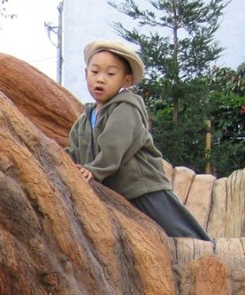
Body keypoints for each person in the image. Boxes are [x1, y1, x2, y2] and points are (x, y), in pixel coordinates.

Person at [66, 39, 212, 241]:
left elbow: (114, 145)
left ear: (125, 81)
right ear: (85, 73)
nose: (100, 79)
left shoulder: (126, 108)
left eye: (110, 74)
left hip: (142, 186)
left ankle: (206, 249)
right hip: (115, 191)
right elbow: (72, 151)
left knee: (177, 229)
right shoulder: (83, 121)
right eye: (95, 72)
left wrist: (94, 169)